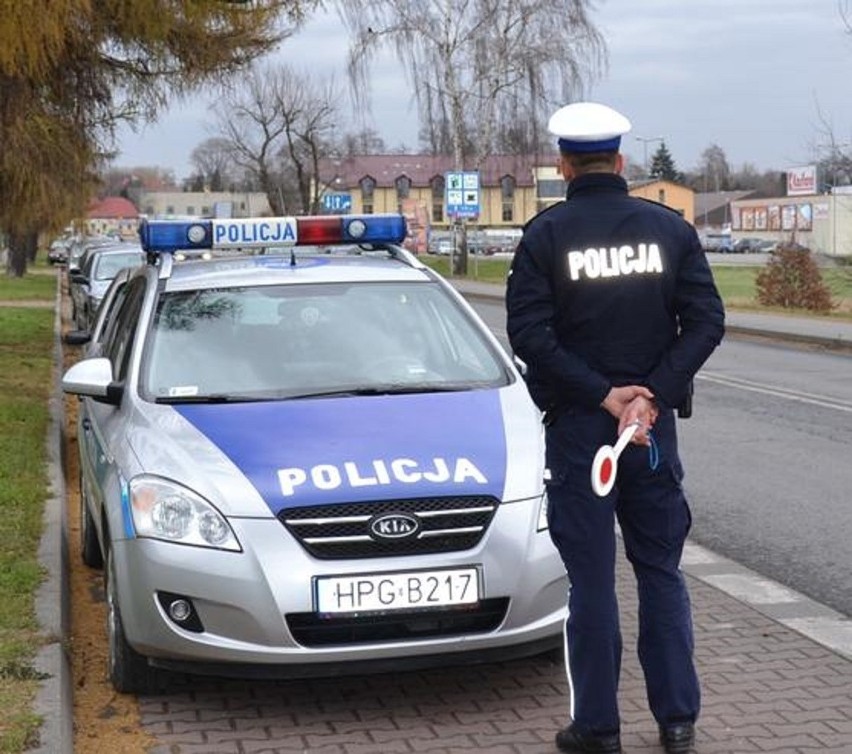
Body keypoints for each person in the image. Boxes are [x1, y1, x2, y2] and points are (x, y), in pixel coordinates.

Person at [505, 102, 725, 754]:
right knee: (660, 572)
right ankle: (678, 722)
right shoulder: (669, 230)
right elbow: (707, 321)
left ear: (564, 164)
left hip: (581, 435)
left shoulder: (546, 236)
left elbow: (529, 337)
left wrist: (604, 396)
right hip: (651, 436)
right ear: (621, 163)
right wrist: (650, 394)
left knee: (593, 582)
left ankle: (598, 728)